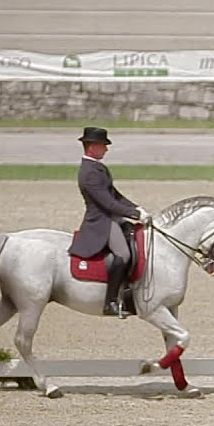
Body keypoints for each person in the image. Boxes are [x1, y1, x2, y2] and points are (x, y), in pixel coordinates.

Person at [66, 127, 151, 316]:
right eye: (103, 146)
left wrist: (136, 208)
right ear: (92, 147)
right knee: (123, 254)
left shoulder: (98, 168)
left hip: (112, 217)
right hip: (101, 221)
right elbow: (107, 203)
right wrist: (133, 215)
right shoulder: (89, 172)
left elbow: (115, 195)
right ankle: (110, 301)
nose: (106, 149)